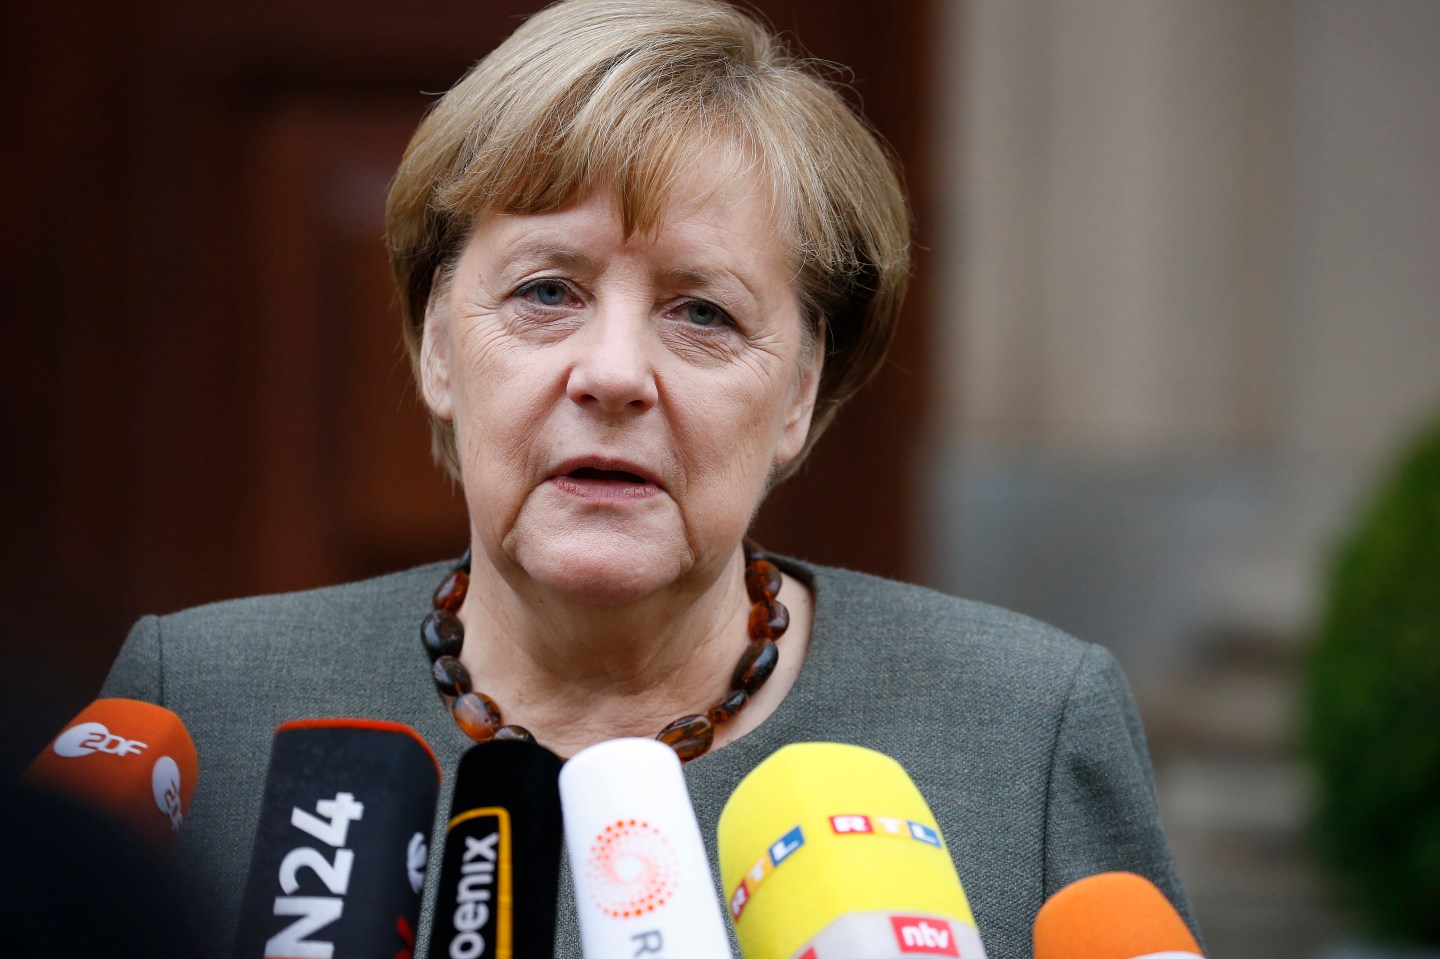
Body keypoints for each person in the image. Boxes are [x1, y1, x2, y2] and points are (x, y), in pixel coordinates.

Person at [101, 0, 1196, 955]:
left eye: (702, 311)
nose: (615, 372)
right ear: (439, 345)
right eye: (545, 292)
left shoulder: (1024, 726)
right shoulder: (202, 705)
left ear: (801, 391)